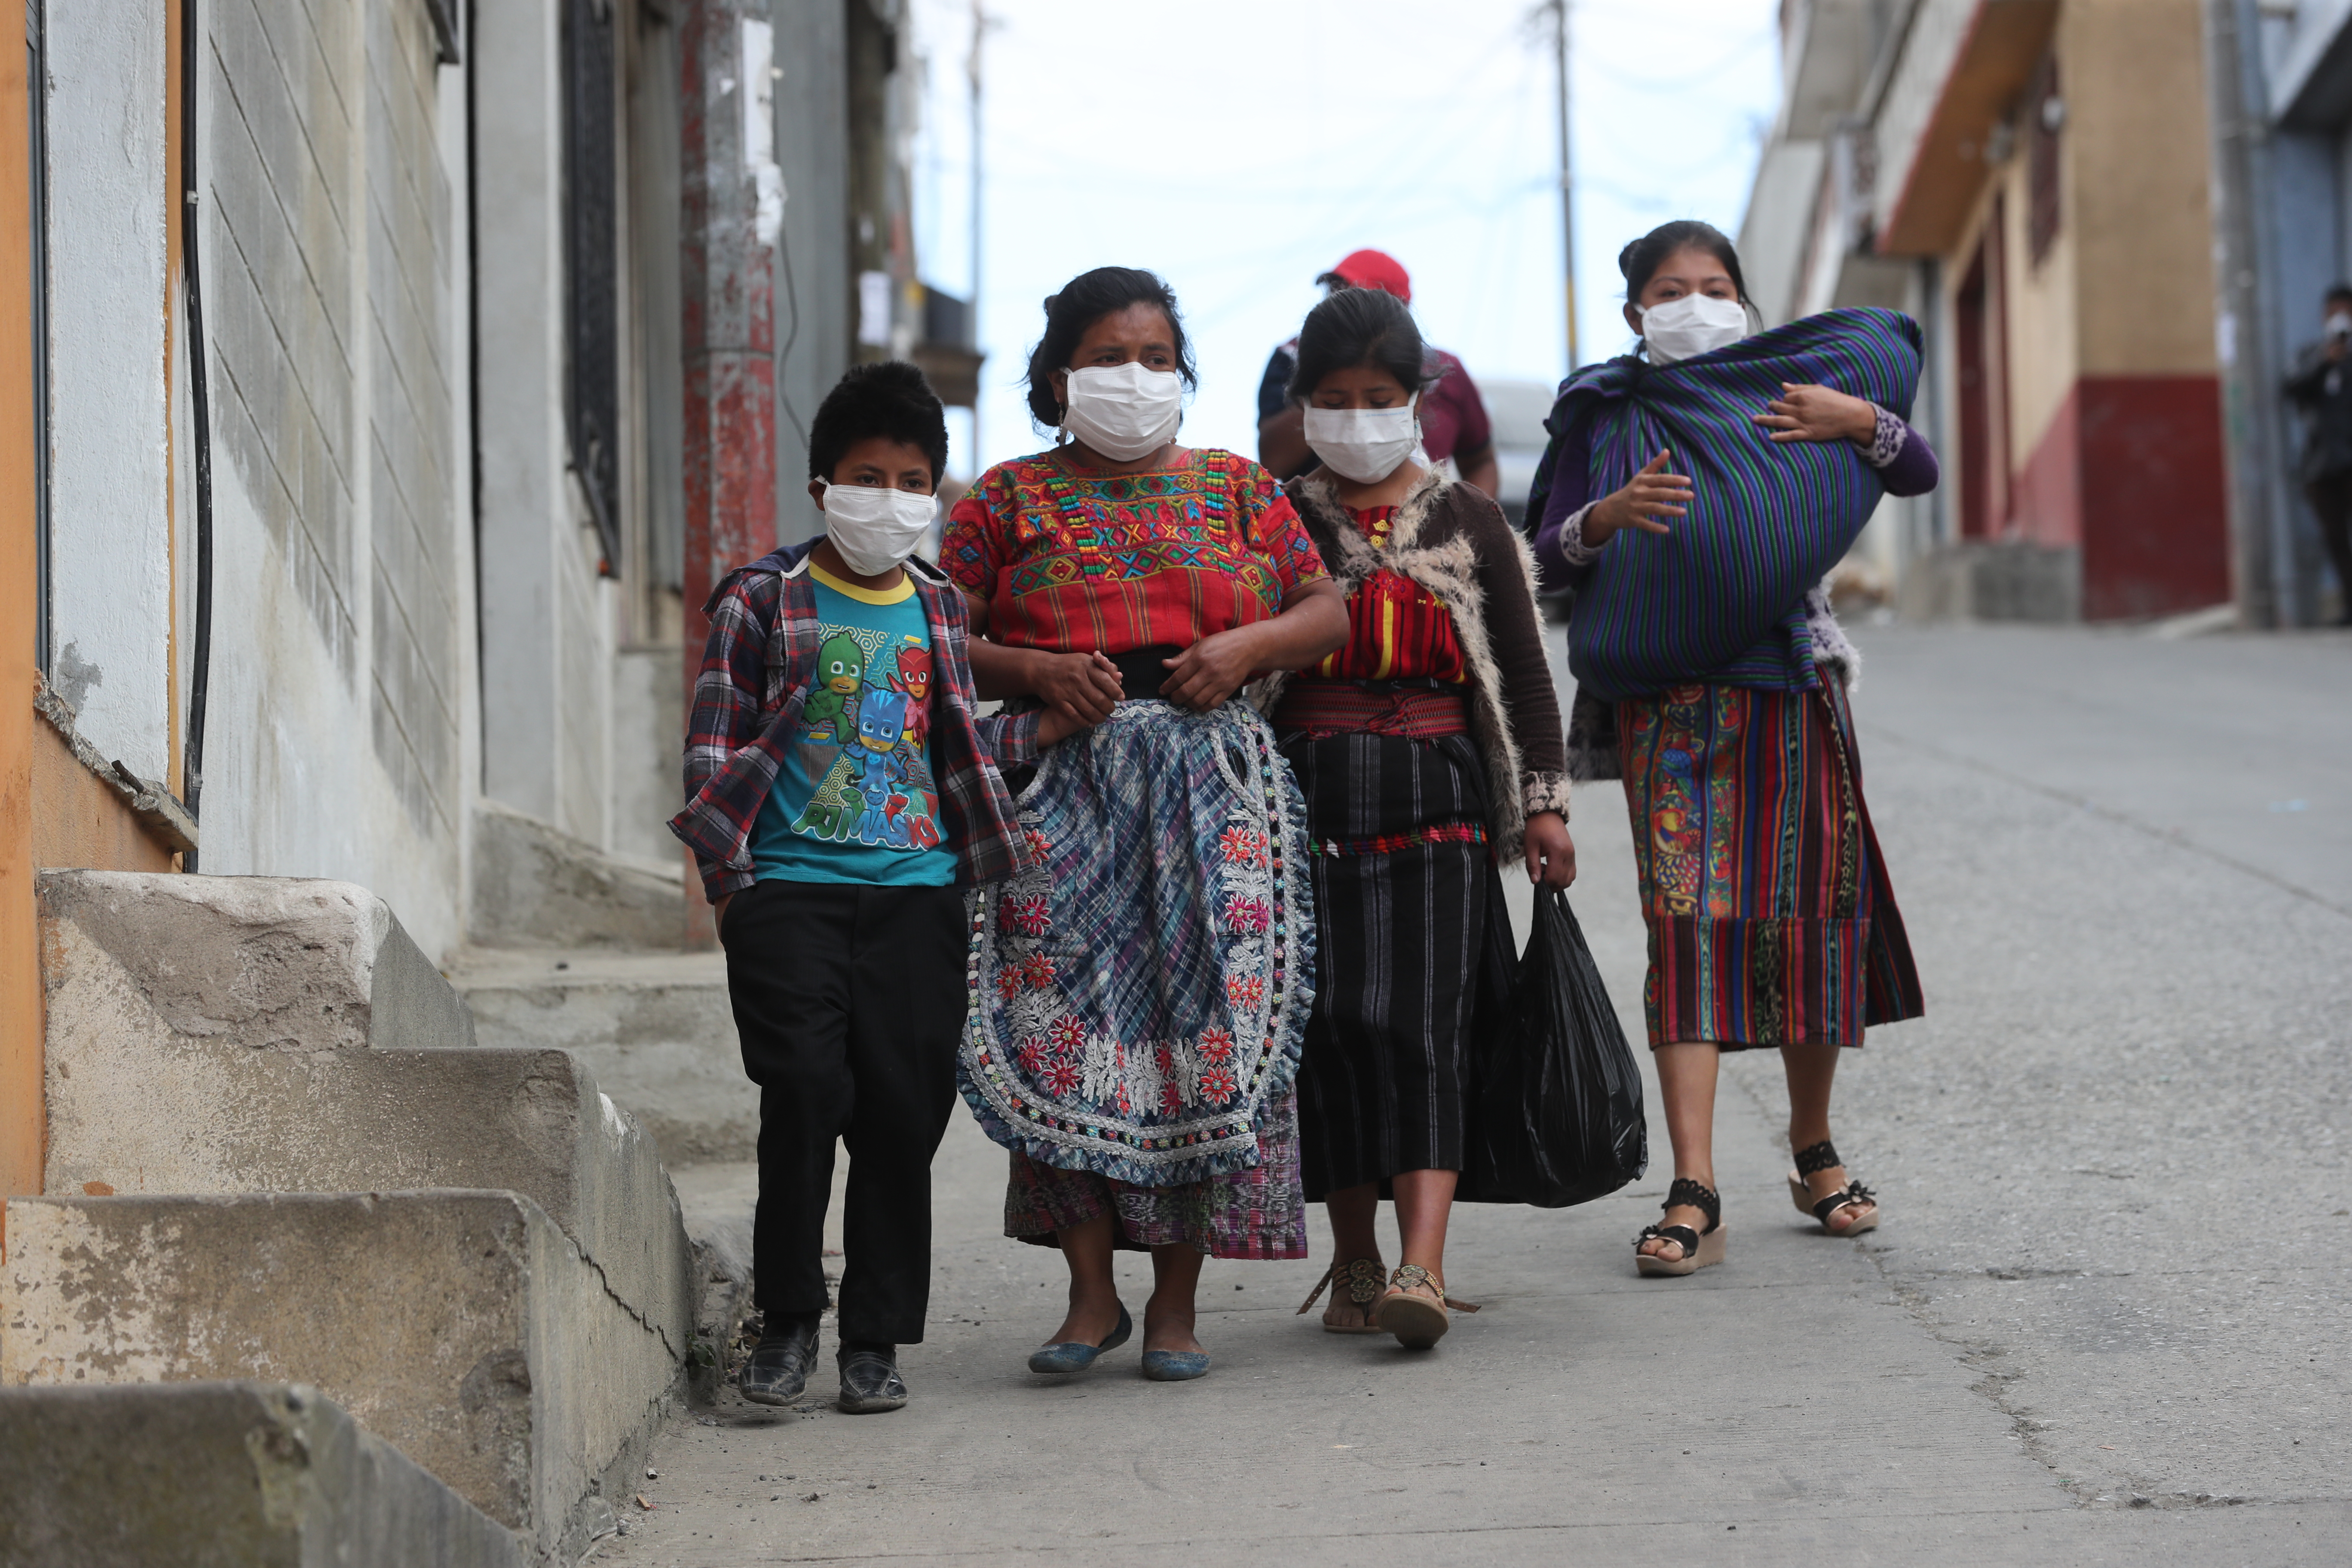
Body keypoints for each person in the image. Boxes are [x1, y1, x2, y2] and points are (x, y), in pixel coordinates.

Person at [942, 266, 1348, 1381]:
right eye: (1110, 358)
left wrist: (1247, 649)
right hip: (1061, 781)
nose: (1136, 378)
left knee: (1200, 1031)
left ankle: (1176, 1306)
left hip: (1210, 785)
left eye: (1158, 359)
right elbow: (938, 631)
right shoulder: (1003, 501)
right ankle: (1089, 1299)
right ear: (1059, 374)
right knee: (1061, 1023)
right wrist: (1031, 668)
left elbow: (1326, 608)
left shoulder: (1237, 490)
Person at [669, 362, 1093, 1413]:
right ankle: (786, 1324)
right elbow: (711, 747)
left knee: (902, 1119)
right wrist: (733, 893)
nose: (890, 496)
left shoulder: (942, 608)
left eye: (912, 478)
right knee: (805, 1096)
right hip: (790, 895)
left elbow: (952, 743)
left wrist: (1041, 724)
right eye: (868, 474)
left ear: (932, 494)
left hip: (918, 898)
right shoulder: (764, 599)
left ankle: (873, 1340)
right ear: (822, 486)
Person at [1528, 220, 1930, 1277]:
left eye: (1713, 286)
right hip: (1670, 709)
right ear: (1633, 314)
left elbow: (1916, 469)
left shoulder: (1792, 394)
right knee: (1687, 927)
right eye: (1669, 289)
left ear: (1744, 305)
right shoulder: (1604, 412)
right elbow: (1537, 558)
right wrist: (1602, 518)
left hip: (1792, 693)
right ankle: (1693, 1183)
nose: (1693, 304)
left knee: (1806, 924)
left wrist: (1861, 419)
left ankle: (1814, 1150)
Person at [1265, 286, 1575, 1348]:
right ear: (1304, 404)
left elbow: (1526, 681)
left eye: (1380, 397)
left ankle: (1421, 1267)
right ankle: (1351, 1259)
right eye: (1336, 398)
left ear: (1417, 401)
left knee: (1427, 1033)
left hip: (1437, 806)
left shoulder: (1470, 520)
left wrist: (1543, 808)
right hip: (1300, 809)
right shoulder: (1274, 517)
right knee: (1329, 1031)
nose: (1358, 416)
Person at [1257, 249, 1499, 497]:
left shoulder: (1445, 370)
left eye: (1380, 402)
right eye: (1335, 403)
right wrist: (1315, 377)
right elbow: (1273, 460)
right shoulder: (1292, 357)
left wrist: (1471, 514)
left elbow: (1480, 460)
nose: (1340, 304)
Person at [2284, 283, 2352, 625]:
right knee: (2337, 539)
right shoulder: (2312, 354)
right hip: (2322, 463)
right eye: (2333, 313)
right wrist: (2326, 362)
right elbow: (2291, 387)